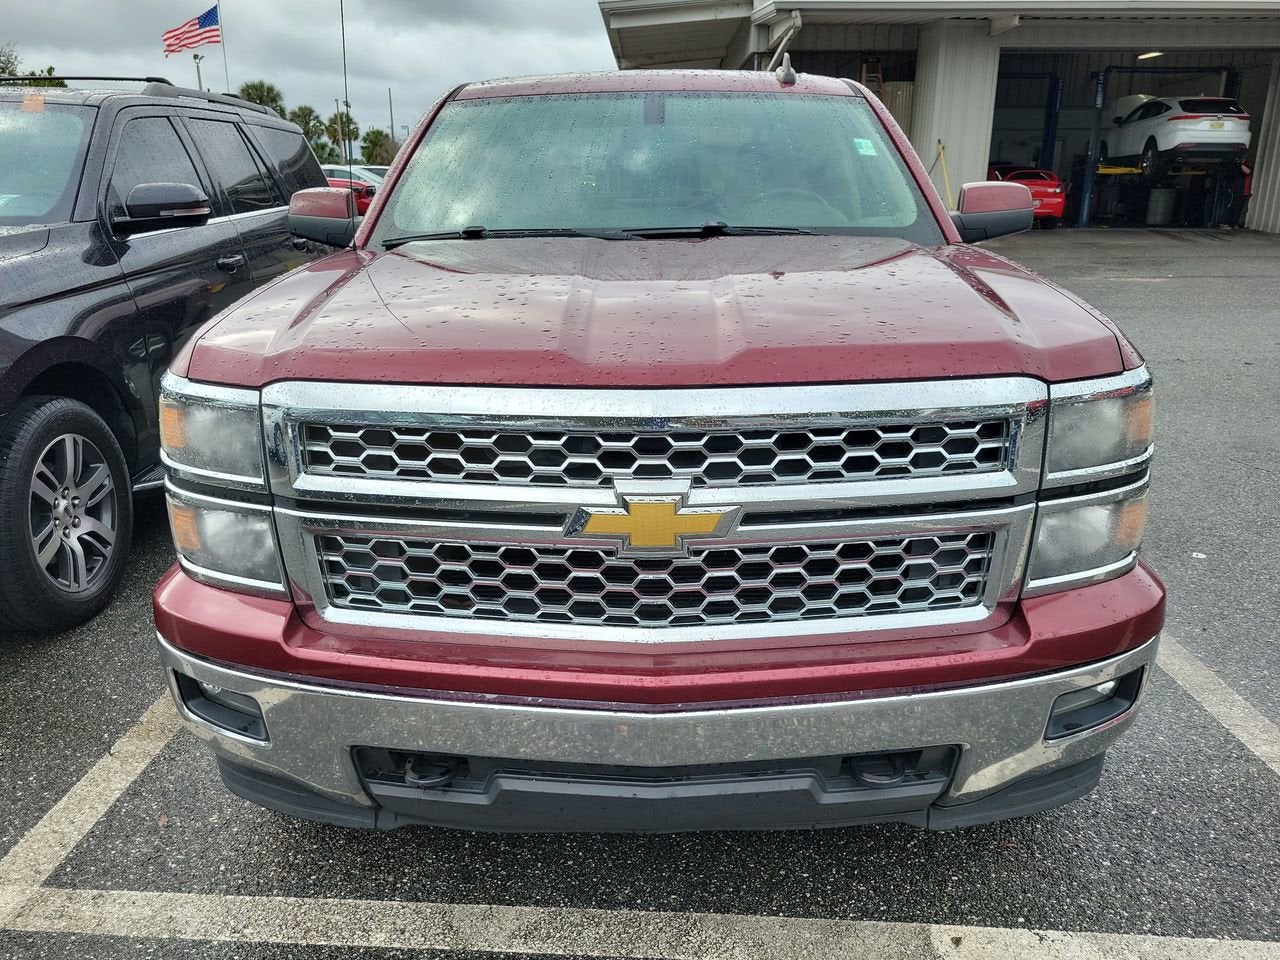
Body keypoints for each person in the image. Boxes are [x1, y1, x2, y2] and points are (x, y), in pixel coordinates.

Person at [1227, 158, 1254, 229]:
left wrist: (1241, 164)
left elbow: (1248, 172)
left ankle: (1234, 223)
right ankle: (1232, 223)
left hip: (1243, 192)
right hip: (1237, 191)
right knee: (1234, 207)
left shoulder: (1246, 166)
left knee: (1238, 208)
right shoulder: (1236, 167)